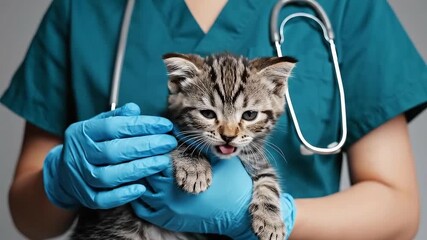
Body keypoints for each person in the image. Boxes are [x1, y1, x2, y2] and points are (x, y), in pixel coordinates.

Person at [2, 0, 426, 239]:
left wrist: (280, 216)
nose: (228, 130)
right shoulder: (83, 10)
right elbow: (28, 218)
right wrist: (58, 179)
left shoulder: (348, 8)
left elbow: (400, 211)